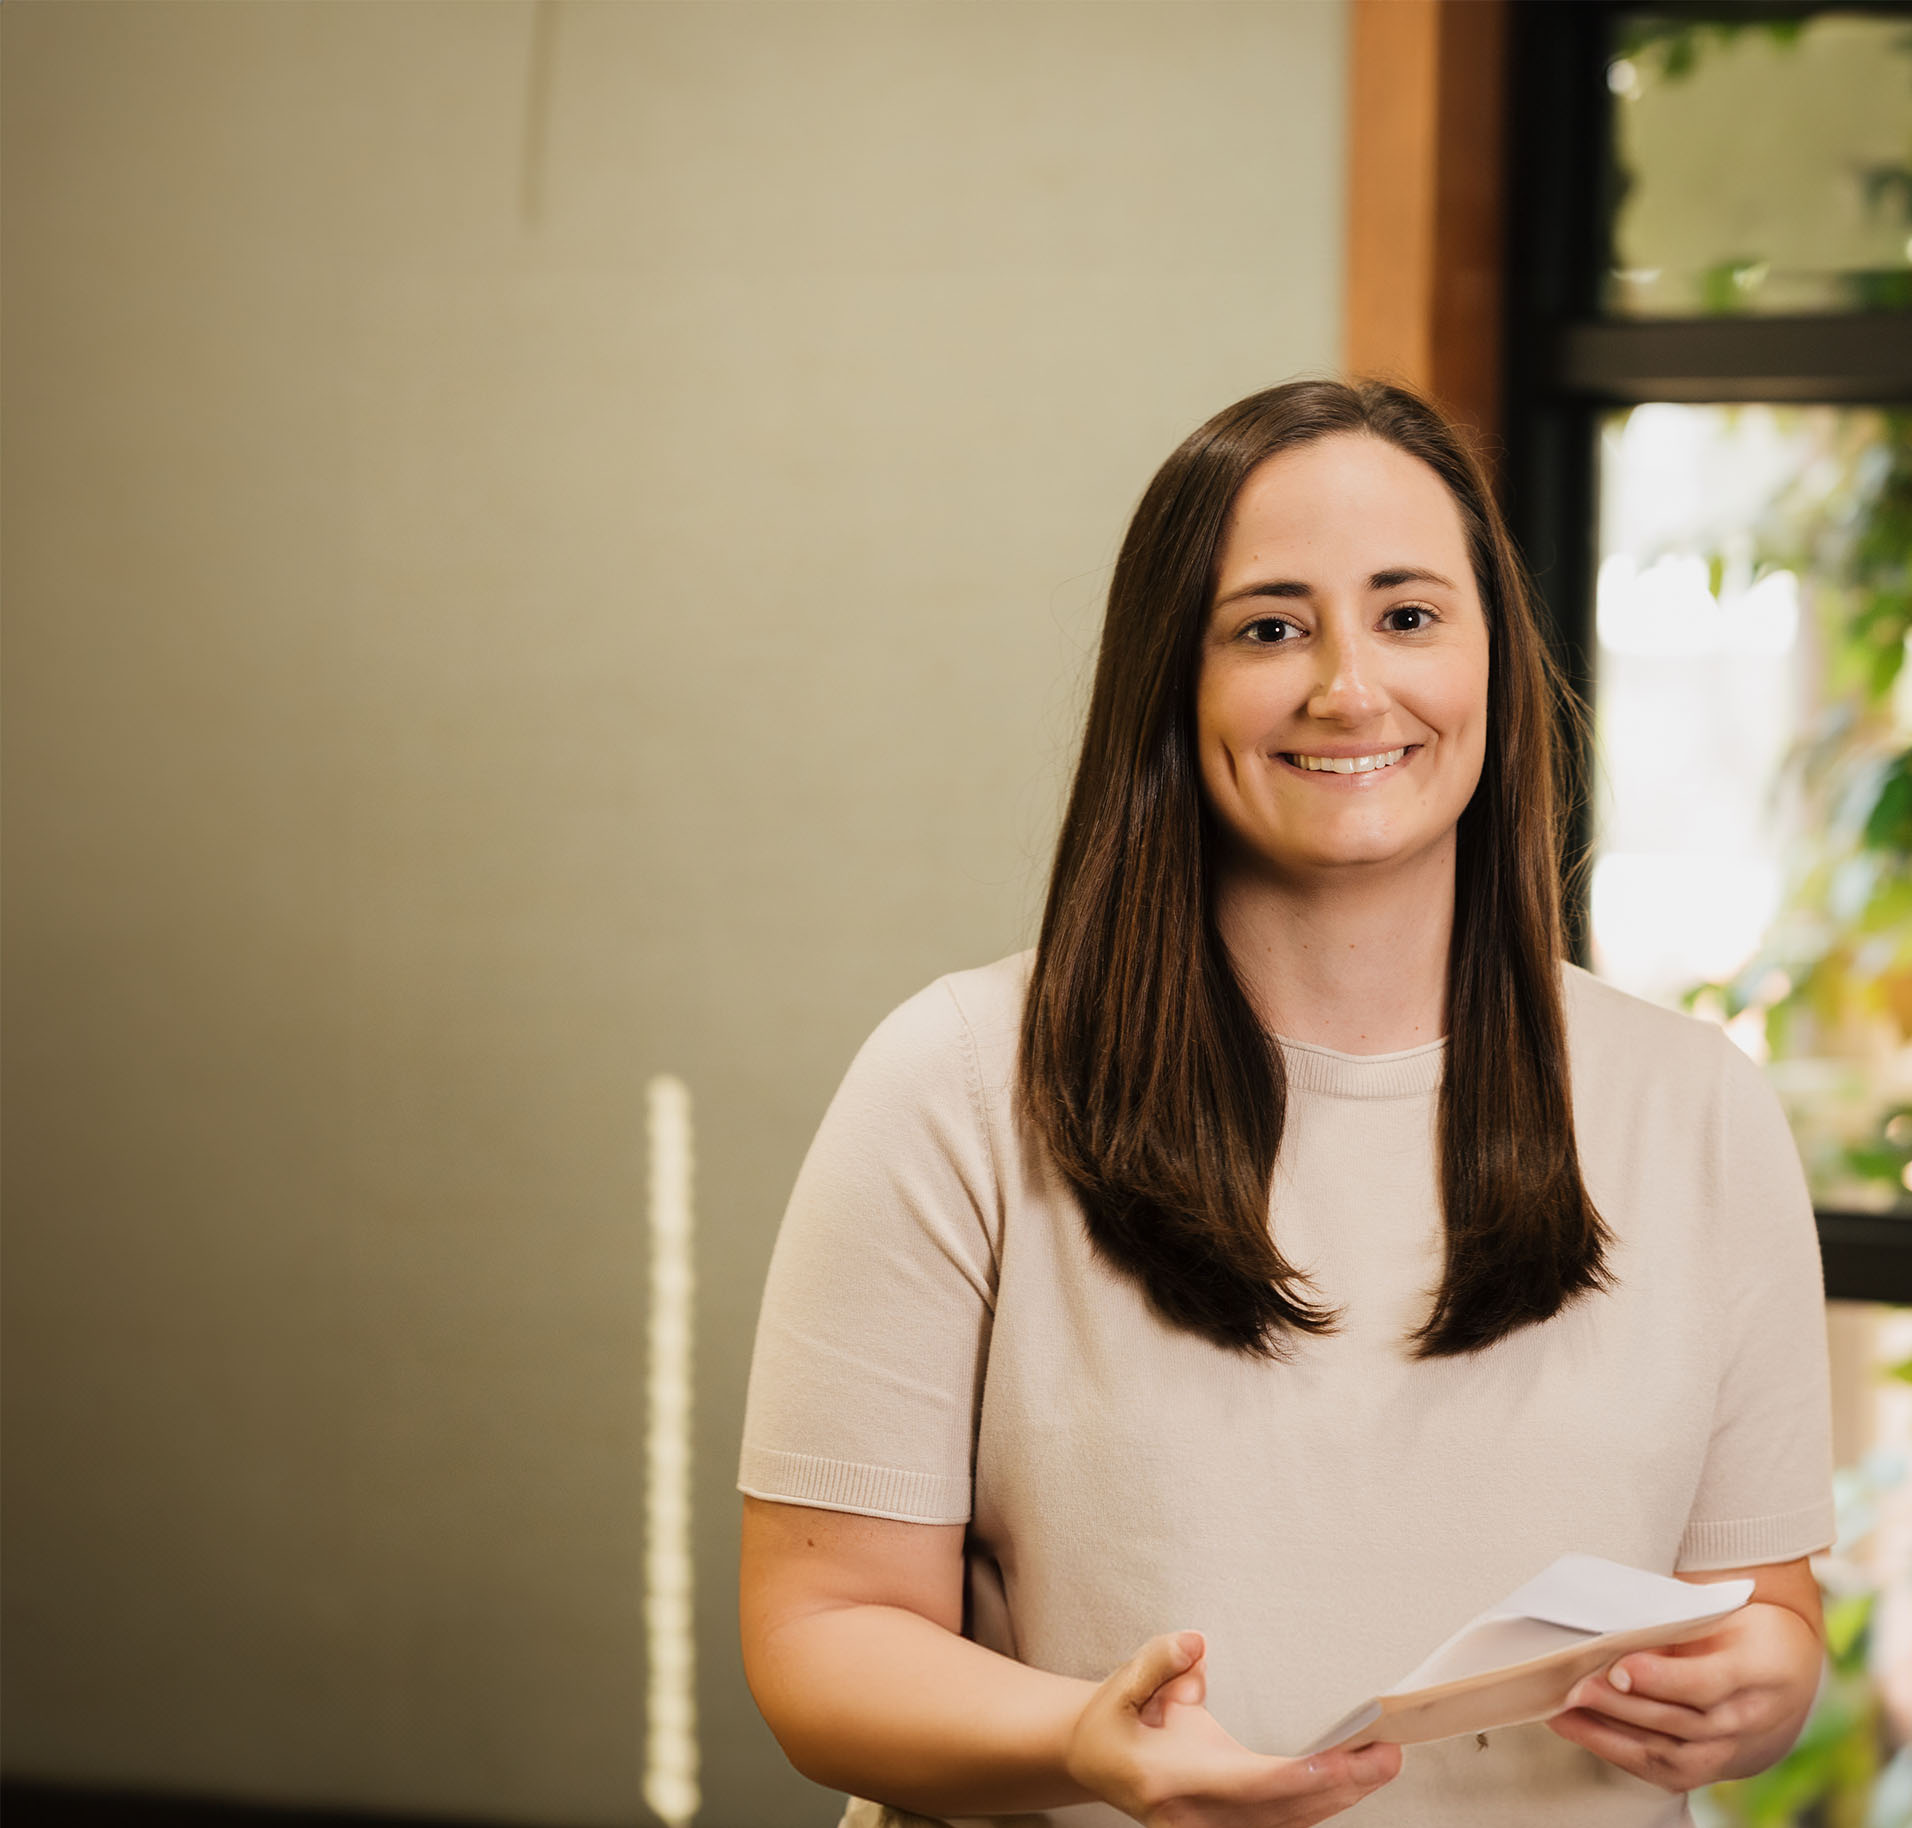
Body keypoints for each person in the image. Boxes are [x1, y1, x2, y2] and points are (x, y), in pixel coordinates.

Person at [736, 379, 1835, 1828]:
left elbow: (1766, 1614)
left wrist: (1761, 1682)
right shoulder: (955, 1084)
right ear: (1169, 683)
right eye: (1269, 628)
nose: (1349, 688)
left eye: (1408, 615)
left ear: (1493, 662)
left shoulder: (1699, 1110)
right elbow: (822, 1644)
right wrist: (1086, 1745)